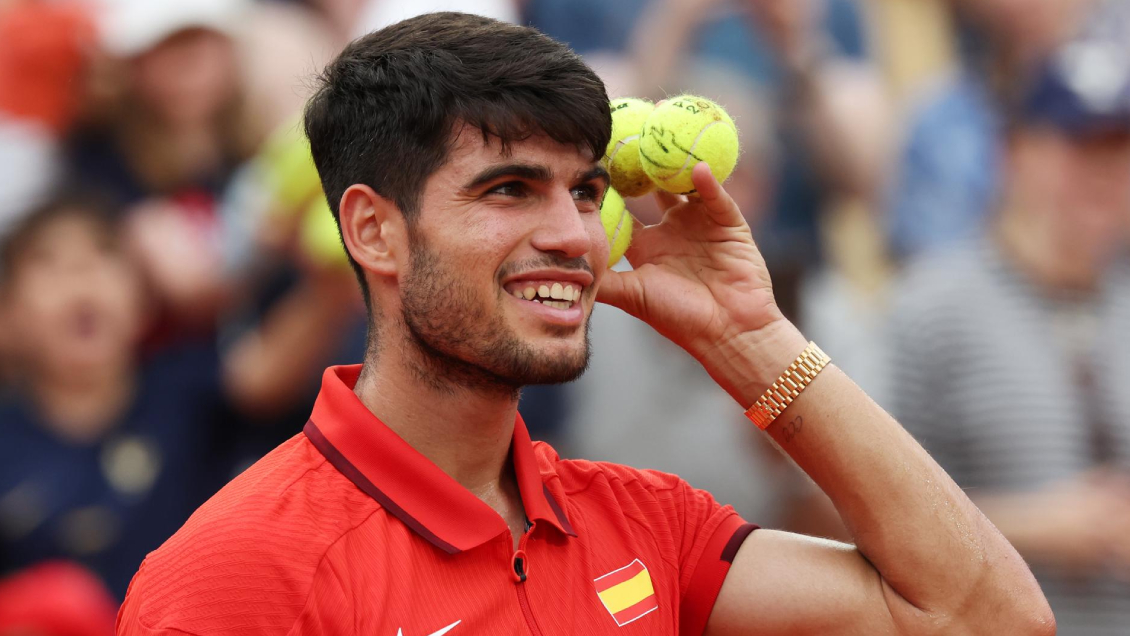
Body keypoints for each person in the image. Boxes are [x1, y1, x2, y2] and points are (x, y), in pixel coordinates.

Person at [116, 13, 1052, 635]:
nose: (573, 234)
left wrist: (747, 338)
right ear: (373, 230)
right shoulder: (234, 573)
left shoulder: (649, 519)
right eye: (511, 189)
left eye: (588, 191)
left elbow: (984, 616)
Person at [889, 5, 1130, 633]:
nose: (1105, 175)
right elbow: (859, 513)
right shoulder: (931, 305)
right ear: (1013, 152)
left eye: (1122, 151)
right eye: (1079, 147)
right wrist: (1035, 524)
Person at [0, 195, 356, 599]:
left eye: (104, 253)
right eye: (47, 263)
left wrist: (330, 287)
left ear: (143, 302)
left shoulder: (185, 390)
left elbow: (262, 375)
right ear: (7, 317)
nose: (82, 275)